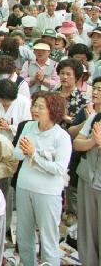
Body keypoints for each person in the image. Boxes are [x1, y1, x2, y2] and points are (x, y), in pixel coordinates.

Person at [13, 92, 72, 266]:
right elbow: (16, 152)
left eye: (41, 107)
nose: (35, 110)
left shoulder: (61, 137)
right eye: (35, 105)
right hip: (24, 186)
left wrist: (34, 155)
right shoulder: (28, 127)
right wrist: (27, 153)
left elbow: (59, 169)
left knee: (48, 237)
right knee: (24, 235)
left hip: (47, 192)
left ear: (52, 110)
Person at [73, 78, 101, 266]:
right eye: (96, 88)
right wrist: (93, 142)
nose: (96, 92)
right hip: (88, 177)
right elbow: (77, 143)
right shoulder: (94, 117)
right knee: (87, 228)